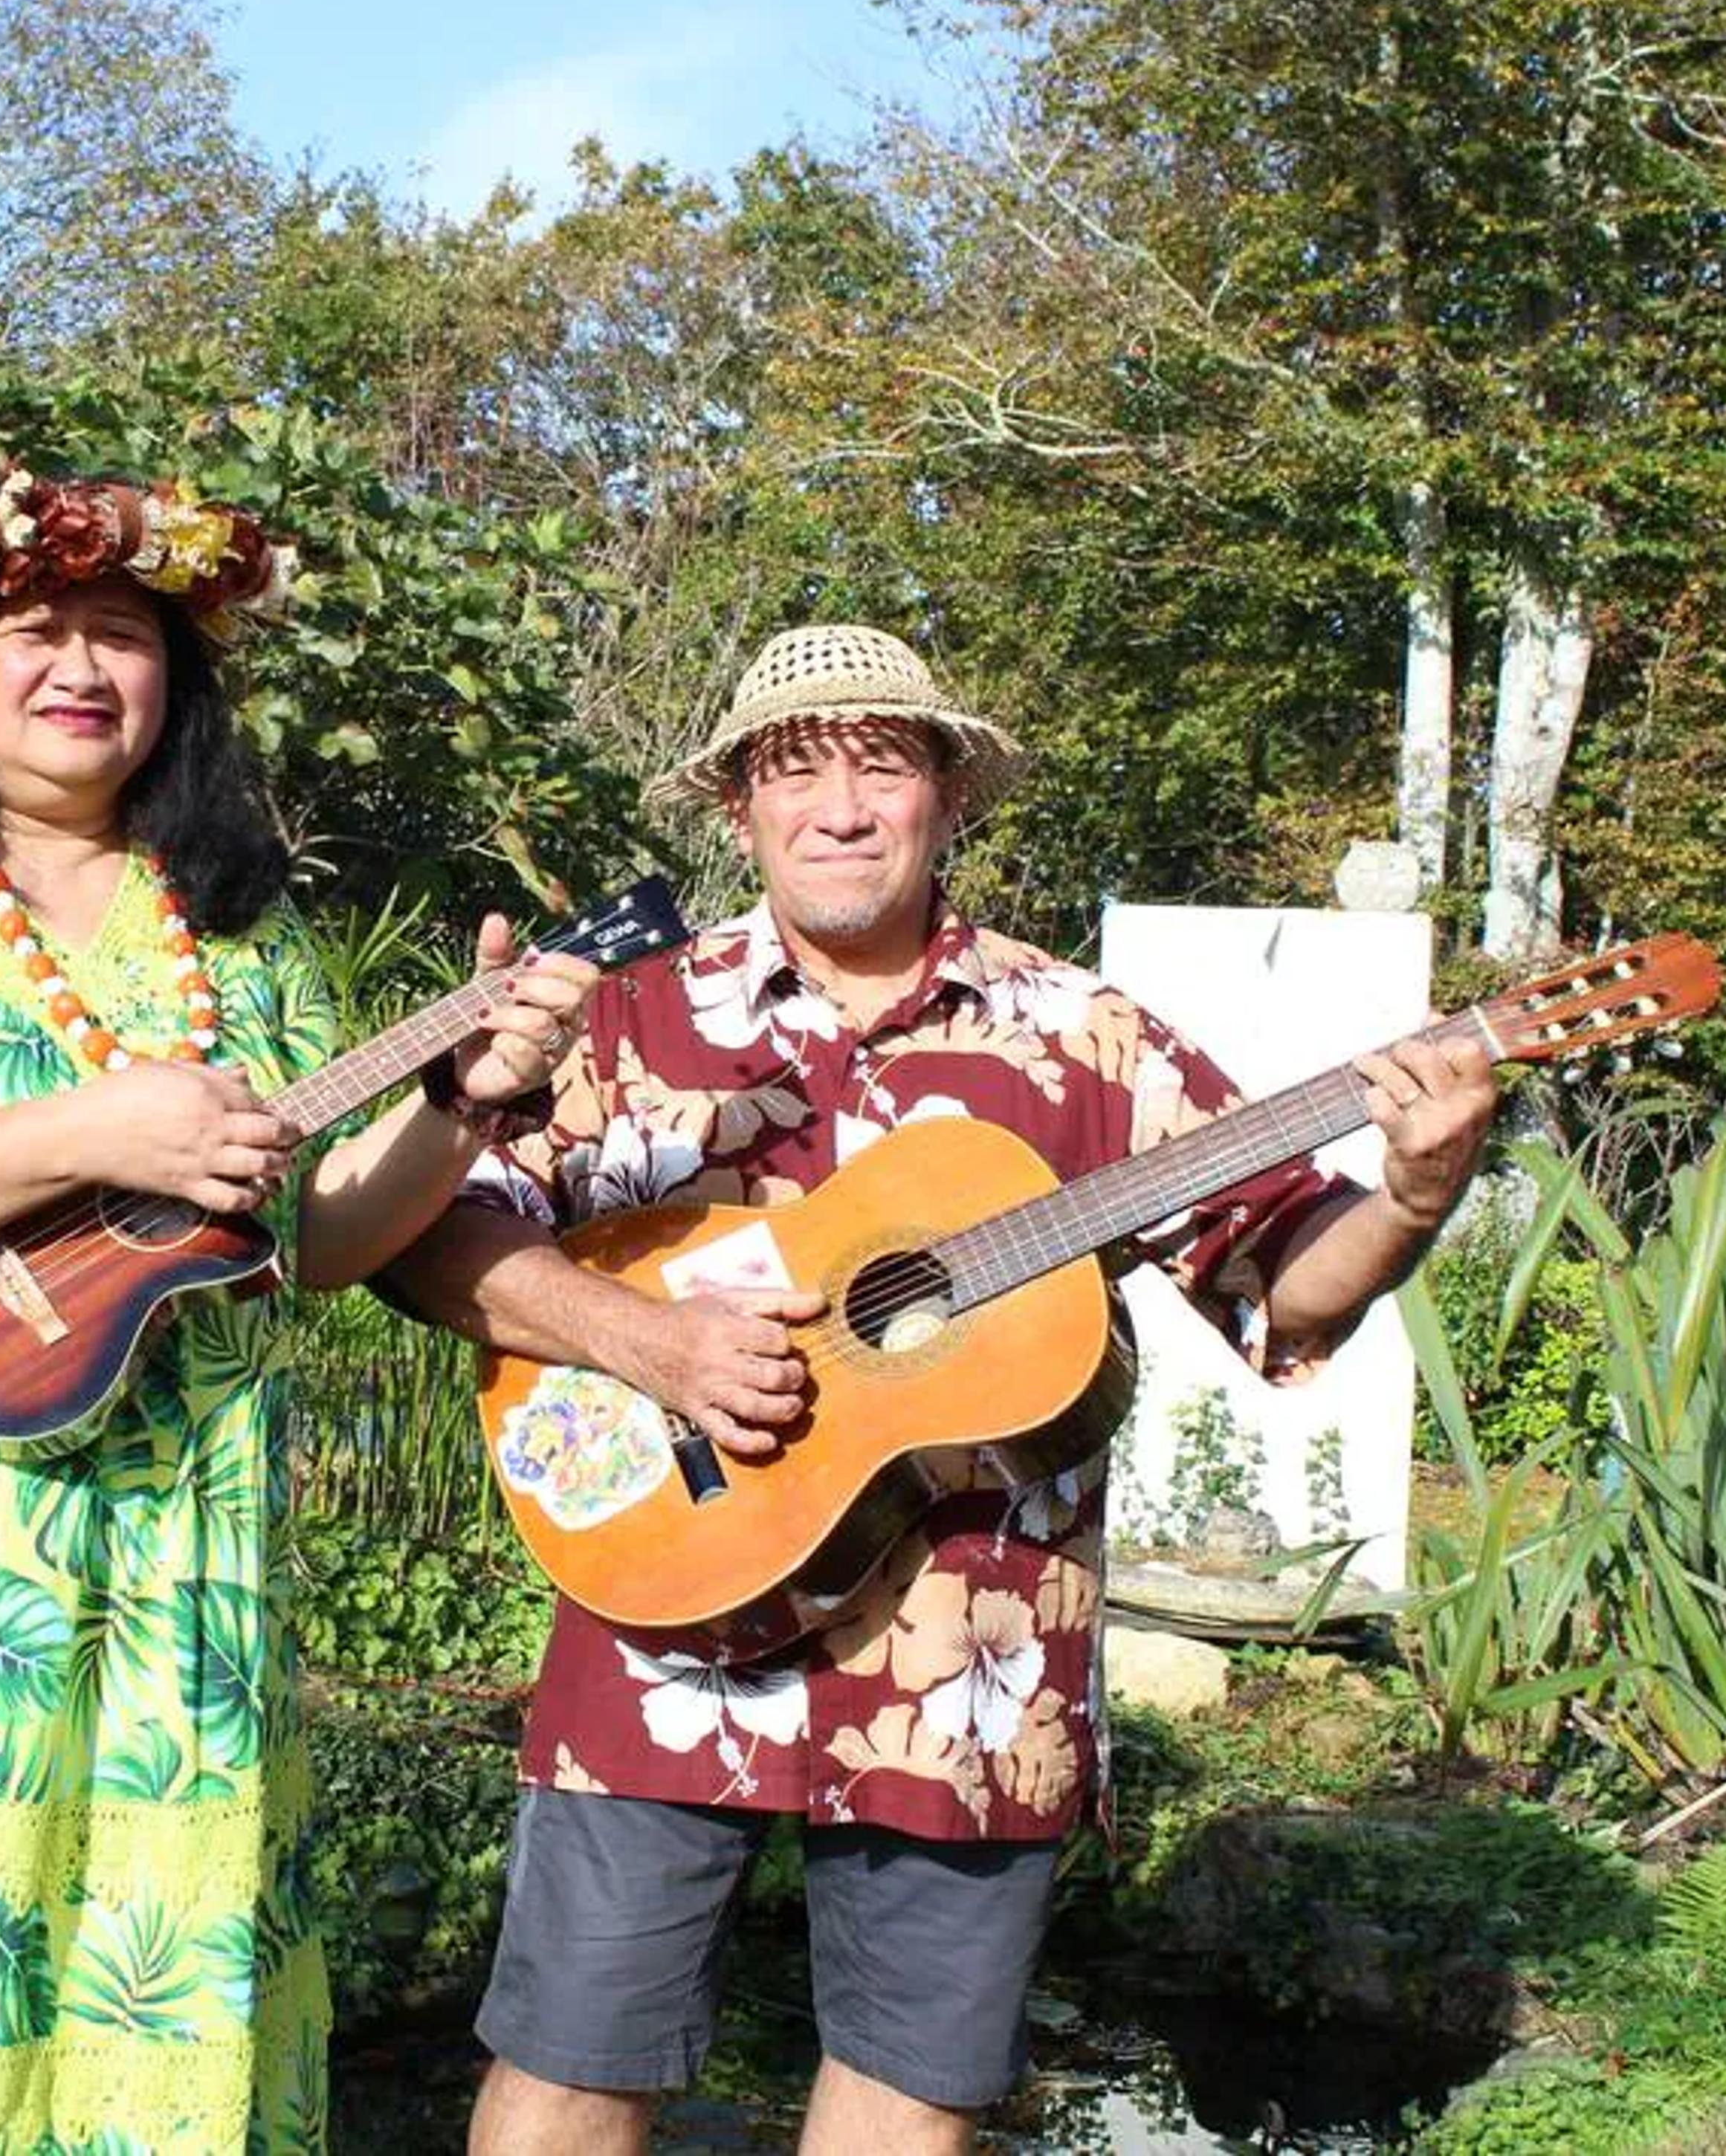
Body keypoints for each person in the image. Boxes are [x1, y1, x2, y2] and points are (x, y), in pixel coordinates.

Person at [381, 624, 1499, 2156]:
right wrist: (645, 1343)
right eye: (794, 769)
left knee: (912, 2099)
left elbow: (1285, 1278)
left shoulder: (1087, 1038)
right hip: (662, 1595)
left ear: (951, 793)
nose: (839, 807)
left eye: (881, 764)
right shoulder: (630, 1021)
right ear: (738, 812)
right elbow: (429, 1234)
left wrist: (1419, 1191)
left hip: (974, 1646)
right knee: (570, 2066)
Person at [0, 468, 598, 2154]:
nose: (80, 666)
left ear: (178, 686)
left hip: (173, 1609)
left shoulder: (238, 932)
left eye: (124, 637)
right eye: (32, 629)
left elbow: (318, 1241)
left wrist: (461, 1108)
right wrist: (81, 1127)